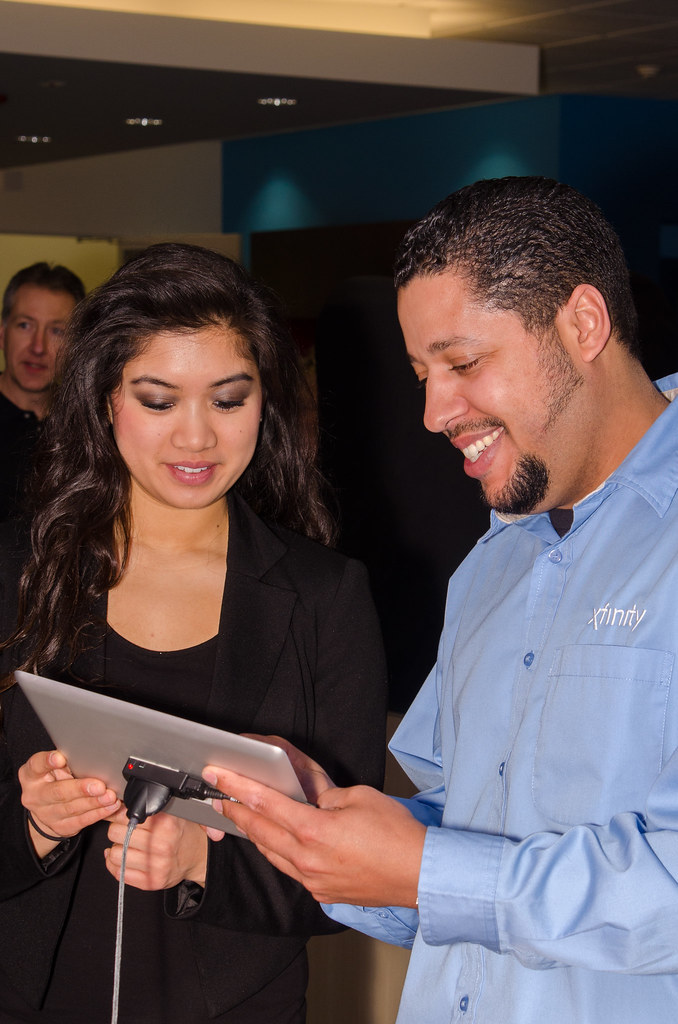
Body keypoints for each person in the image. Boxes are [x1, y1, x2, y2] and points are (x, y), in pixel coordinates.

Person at [202, 177, 678, 1023]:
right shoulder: (491, 565)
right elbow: (465, 831)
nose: (433, 412)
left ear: (584, 324)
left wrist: (426, 868)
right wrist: (329, 827)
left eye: (463, 364)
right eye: (423, 373)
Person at [0, 243, 387, 1023]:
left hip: (239, 1005)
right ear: (106, 399)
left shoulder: (325, 597)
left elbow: (354, 877)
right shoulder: (19, 566)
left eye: (227, 398)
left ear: (265, 403)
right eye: (158, 399)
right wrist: (35, 823)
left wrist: (204, 861)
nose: (196, 437)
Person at [0, 261, 85, 521]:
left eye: (57, 331)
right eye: (25, 325)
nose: (38, 347)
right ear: (3, 333)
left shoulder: (89, 429)